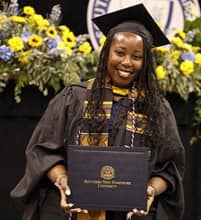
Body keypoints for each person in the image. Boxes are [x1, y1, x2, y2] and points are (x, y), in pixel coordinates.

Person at [11, 3, 185, 220]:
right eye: (120, 53)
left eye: (137, 57)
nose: (127, 62)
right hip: (73, 211)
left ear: (146, 61)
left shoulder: (157, 108)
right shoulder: (74, 97)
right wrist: (64, 182)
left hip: (130, 214)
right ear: (106, 53)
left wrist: (149, 191)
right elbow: (43, 151)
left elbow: (169, 168)